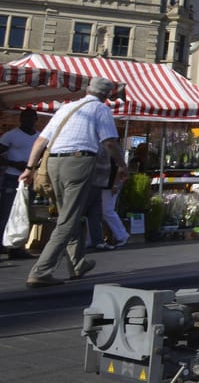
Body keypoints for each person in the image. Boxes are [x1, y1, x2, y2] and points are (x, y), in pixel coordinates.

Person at [16, 77, 127, 287]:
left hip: (53, 163)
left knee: (68, 213)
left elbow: (41, 140)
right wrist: (122, 165)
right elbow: (109, 142)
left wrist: (30, 168)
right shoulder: (101, 109)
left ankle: (77, 264)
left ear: (88, 89)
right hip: (79, 161)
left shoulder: (67, 108)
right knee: (68, 219)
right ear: (106, 96)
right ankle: (41, 270)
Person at [0, 108, 41, 259]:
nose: (29, 121)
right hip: (12, 177)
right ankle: (3, 244)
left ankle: (16, 246)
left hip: (30, 180)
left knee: (23, 213)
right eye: (26, 118)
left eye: (32, 118)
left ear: (36, 120)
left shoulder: (39, 137)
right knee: (7, 211)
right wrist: (14, 163)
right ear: (21, 119)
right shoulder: (10, 135)